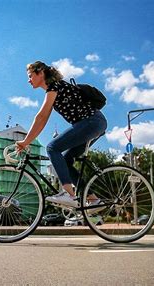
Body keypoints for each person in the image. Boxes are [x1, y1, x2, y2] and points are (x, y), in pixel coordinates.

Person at [15, 61, 107, 208]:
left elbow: (41, 117)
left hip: (91, 122)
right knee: (66, 160)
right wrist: (28, 140)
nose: (28, 80)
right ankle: (93, 199)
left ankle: (69, 195)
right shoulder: (55, 89)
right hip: (93, 123)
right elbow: (43, 120)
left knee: (52, 147)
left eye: (30, 75)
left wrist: (26, 141)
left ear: (41, 73)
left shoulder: (54, 86)